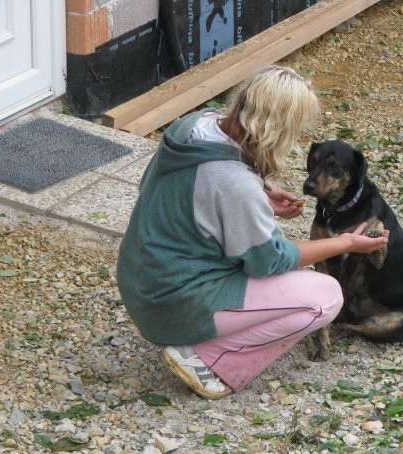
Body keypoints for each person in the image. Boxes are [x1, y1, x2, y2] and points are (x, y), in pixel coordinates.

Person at [116, 65, 388, 399]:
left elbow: (199, 193)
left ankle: (205, 336)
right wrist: (343, 243)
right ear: (277, 129)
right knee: (325, 297)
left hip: (140, 282)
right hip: (170, 308)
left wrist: (260, 192)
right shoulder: (236, 186)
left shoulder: (193, 126)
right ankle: (207, 359)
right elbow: (268, 261)